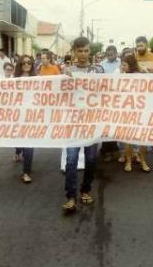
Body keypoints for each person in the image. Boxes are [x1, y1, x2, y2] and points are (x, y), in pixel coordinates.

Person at [62, 37, 102, 212]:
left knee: (91, 159)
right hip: (73, 123)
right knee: (71, 160)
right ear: (74, 52)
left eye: (86, 50)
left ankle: (85, 190)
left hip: (92, 123)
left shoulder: (98, 71)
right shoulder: (67, 71)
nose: (83, 54)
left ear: (89, 51)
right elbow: (62, 96)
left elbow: (106, 93)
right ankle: (70, 196)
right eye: (80, 51)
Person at [120, 54, 152, 173]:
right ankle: (128, 161)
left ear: (131, 65)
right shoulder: (120, 76)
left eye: (124, 65)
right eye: (122, 64)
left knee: (142, 138)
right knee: (128, 138)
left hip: (140, 110)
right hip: (127, 111)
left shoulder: (140, 76)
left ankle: (143, 160)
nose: (122, 67)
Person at [134, 36, 153, 154]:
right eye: (137, 45)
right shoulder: (133, 58)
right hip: (137, 94)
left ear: (146, 45)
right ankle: (139, 145)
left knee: (151, 119)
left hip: (151, 94)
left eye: (141, 45)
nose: (139, 48)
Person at [11, 56, 36, 183]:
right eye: (23, 63)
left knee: (29, 146)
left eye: (29, 63)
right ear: (20, 65)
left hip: (32, 117)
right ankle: (17, 151)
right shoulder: (14, 80)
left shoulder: (38, 80)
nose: (26, 65)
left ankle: (26, 172)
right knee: (19, 140)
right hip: (18, 116)